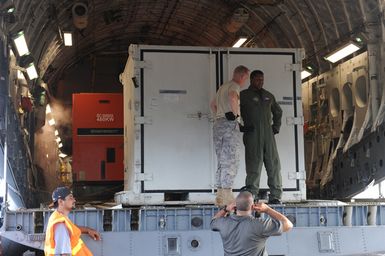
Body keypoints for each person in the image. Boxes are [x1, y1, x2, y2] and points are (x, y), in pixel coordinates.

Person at [240, 70, 283, 204]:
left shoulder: (268, 96)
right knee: (254, 164)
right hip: (252, 134)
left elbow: (278, 111)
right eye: (258, 79)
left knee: (273, 164)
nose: (261, 82)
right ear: (251, 80)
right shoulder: (243, 95)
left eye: (262, 80)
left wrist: (276, 127)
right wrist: (240, 126)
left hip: (268, 136)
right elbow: (233, 110)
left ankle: (275, 195)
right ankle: (252, 194)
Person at [211, 65, 249, 206]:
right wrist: (236, 116)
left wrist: (218, 117)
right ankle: (227, 198)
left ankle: (220, 196)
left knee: (222, 160)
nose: (245, 81)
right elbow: (233, 97)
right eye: (246, 78)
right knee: (231, 159)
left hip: (219, 125)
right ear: (241, 76)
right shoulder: (234, 85)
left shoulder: (222, 87)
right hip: (229, 125)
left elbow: (213, 104)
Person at [210, 191, 293, 256]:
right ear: (253, 206)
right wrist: (267, 209)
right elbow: (288, 225)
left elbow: (213, 221)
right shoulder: (260, 224)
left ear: (235, 206)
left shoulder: (222, 223)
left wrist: (226, 209)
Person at [44, 186, 101, 256]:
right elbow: (64, 254)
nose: (74, 200)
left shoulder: (59, 217)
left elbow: (71, 228)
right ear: (61, 202)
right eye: (71, 198)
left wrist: (88, 230)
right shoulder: (60, 225)